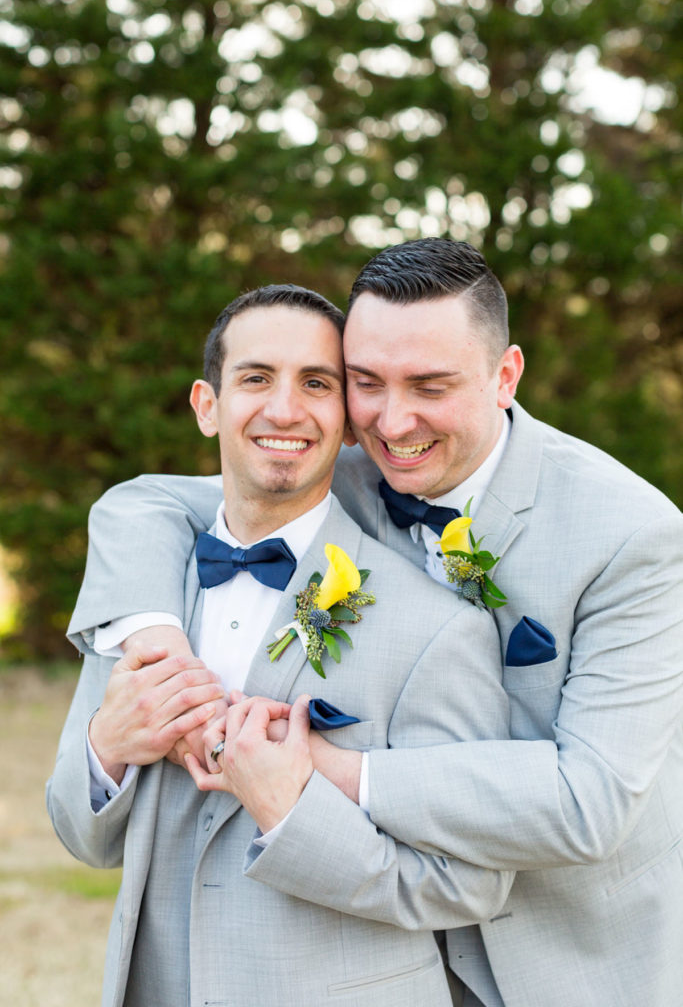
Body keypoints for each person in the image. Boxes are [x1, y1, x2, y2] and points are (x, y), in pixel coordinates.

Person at [65, 239, 683, 1007]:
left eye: (430, 385)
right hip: (374, 951)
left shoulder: (631, 535)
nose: (393, 421)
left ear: (505, 376)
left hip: (564, 947)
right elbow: (144, 504)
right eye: (366, 383)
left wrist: (318, 766)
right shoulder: (345, 466)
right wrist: (159, 656)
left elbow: (588, 803)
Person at [47, 282, 514, 1007]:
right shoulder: (144, 599)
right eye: (256, 378)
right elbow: (87, 840)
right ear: (208, 406)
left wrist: (291, 811)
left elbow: (467, 887)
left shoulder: (437, 627)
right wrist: (105, 750)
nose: (285, 409)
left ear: (349, 421)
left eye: (316, 384)